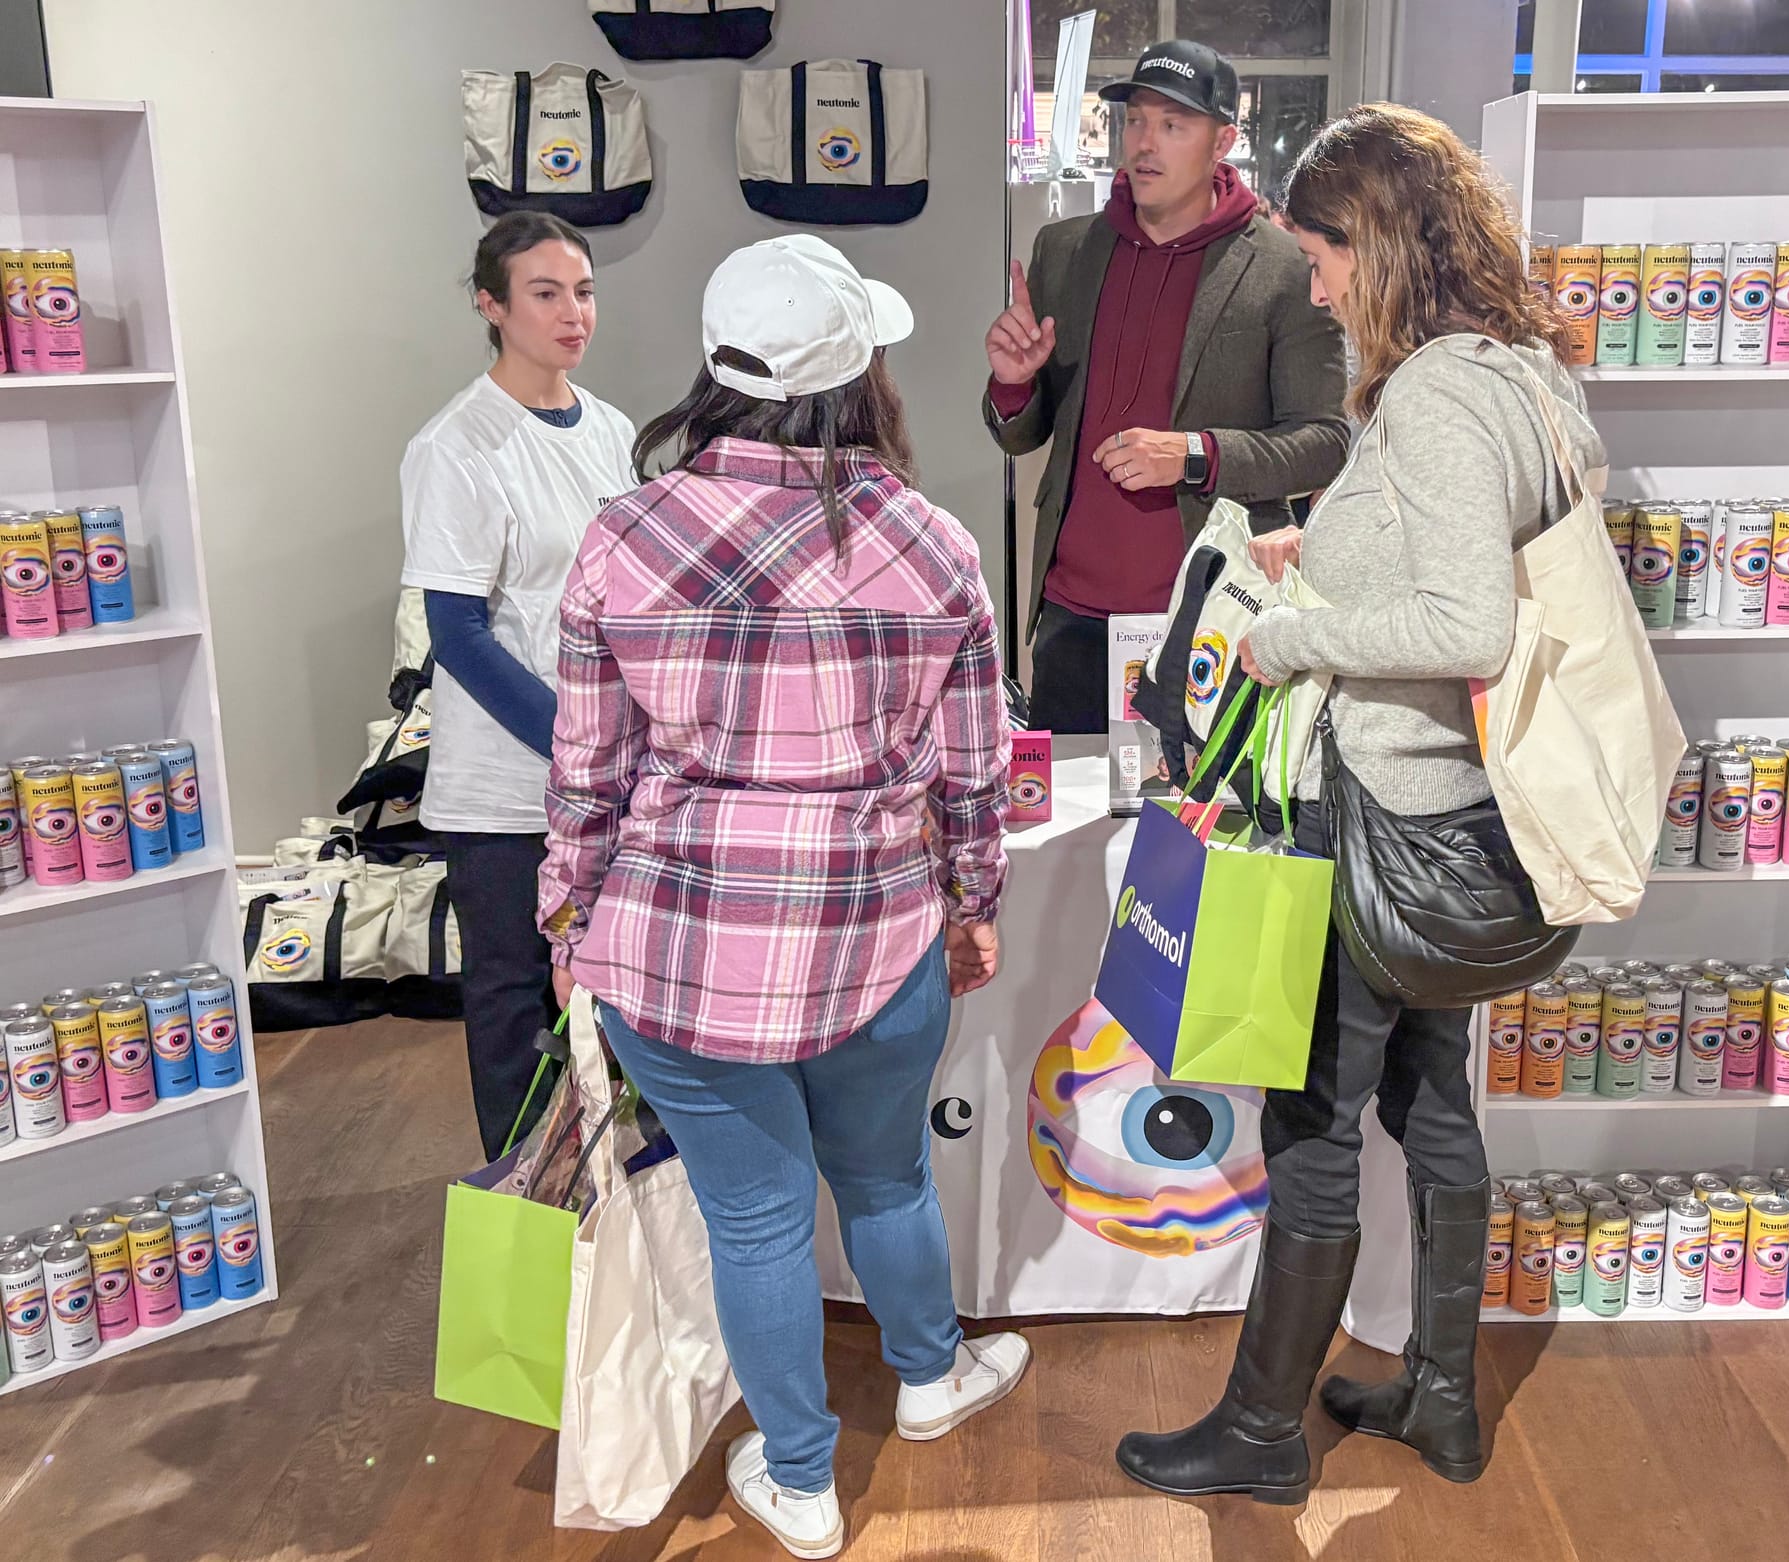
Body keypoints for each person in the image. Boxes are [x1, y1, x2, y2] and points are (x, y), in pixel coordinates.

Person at [1115, 103, 1606, 1502]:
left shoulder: (1436, 396)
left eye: (1325, 257)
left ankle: (1261, 1432)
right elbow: (1474, 573)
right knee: (1431, 1097)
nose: (1317, 287)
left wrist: (1292, 633)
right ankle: (1441, 1397)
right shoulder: (1528, 377)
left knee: (1314, 1120)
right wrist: (1328, 557)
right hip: (1466, 827)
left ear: (1379, 246)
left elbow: (1465, 623)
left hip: (1378, 820)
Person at [539, 234, 1026, 1561]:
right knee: (887, 1173)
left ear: (719, 368)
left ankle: (801, 1480)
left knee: (752, 1220)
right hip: (877, 934)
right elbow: (973, 770)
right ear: (860, 375)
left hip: (675, 950)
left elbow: (585, 771)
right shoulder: (933, 544)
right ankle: (928, 1374)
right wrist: (974, 899)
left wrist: (567, 917)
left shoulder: (624, 535)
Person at [983, 39, 1349, 735]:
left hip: (1216, 618)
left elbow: (1325, 441)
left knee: (1205, 805)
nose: (1145, 144)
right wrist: (1013, 386)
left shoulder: (1281, 266)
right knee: (1069, 806)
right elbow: (1027, 431)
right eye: (1136, 121)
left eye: (1173, 125)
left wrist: (1195, 454)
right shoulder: (1065, 250)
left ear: (1223, 143)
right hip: (1072, 616)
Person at [399, 212, 636, 1162]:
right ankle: (526, 1204)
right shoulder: (458, 445)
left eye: (583, 291)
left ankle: (619, 1204)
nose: (573, 313)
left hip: (606, 778)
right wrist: (576, 740)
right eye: (545, 293)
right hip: (505, 793)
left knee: (613, 997)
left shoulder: (611, 429)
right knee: (513, 1006)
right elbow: (457, 635)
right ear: (490, 306)